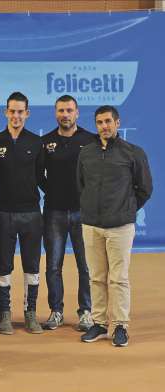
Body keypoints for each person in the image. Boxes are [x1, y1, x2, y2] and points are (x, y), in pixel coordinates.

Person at [78, 105, 152, 347]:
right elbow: (81, 186)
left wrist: (126, 210)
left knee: (118, 278)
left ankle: (120, 325)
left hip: (120, 226)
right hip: (91, 225)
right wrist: (90, 209)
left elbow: (145, 189)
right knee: (97, 277)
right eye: (99, 122)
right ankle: (99, 323)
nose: (104, 126)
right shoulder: (86, 153)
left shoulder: (133, 153)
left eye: (108, 121)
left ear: (117, 123)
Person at [0, 92, 44, 335]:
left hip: (31, 213)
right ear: (5, 112)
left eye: (21, 111)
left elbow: (42, 178)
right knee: (4, 266)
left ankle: (30, 314)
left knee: (32, 266)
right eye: (12, 111)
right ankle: (5, 314)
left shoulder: (36, 142)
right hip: (4, 214)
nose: (16, 115)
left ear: (27, 114)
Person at [41, 95, 95, 331]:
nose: (65, 114)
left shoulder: (90, 140)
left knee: (86, 266)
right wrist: (52, 190)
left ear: (77, 113)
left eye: (69, 110)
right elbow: (37, 175)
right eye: (61, 110)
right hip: (54, 212)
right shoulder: (46, 142)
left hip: (84, 213)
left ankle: (86, 311)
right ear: (55, 113)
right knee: (53, 265)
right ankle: (56, 311)